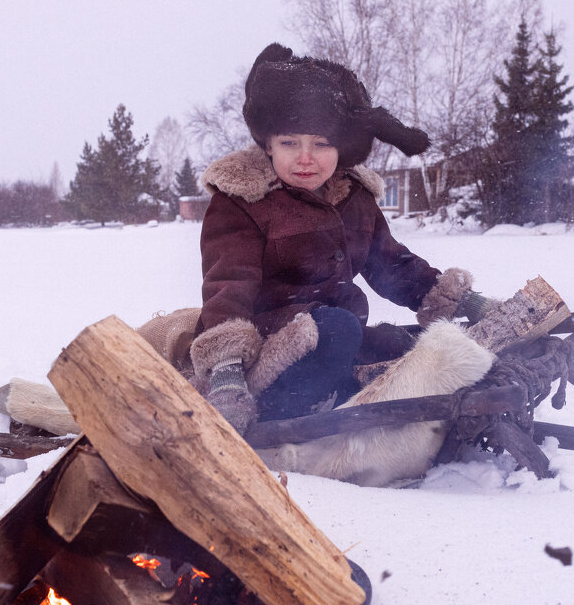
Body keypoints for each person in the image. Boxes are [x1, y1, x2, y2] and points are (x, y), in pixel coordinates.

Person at [189, 43, 487, 433]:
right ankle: (287, 417)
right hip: (269, 349)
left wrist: (463, 301)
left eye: (322, 144)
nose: (306, 158)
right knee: (337, 329)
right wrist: (228, 372)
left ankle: (355, 399)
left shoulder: (353, 197)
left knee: (397, 344)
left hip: (338, 338)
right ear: (268, 144)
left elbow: (391, 264)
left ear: (342, 147)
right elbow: (228, 286)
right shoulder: (244, 201)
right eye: (290, 143)